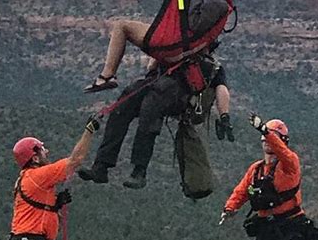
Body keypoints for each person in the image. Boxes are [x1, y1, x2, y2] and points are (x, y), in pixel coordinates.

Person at [79, 47, 234, 189]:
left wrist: (224, 115)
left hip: (177, 95)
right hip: (155, 84)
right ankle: (101, 166)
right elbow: (151, 67)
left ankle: (139, 170)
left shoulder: (209, 65)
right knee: (123, 105)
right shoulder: (179, 49)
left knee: (151, 108)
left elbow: (221, 88)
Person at [84, 0, 231, 93]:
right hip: (180, 43)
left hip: (176, 44)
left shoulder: (216, 3)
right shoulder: (219, 6)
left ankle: (107, 75)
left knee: (122, 26)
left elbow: (194, 23)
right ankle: (152, 72)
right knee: (151, 30)